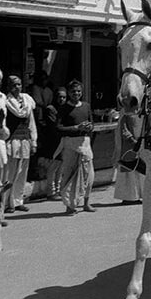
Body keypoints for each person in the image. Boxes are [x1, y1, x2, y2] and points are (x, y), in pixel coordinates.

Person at [56, 80, 96, 215]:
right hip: (70, 145)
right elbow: (59, 128)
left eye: (79, 91)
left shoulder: (86, 106)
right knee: (69, 174)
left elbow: (91, 123)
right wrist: (75, 128)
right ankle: (69, 205)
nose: (76, 94)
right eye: (73, 92)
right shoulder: (63, 109)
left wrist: (89, 127)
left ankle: (86, 202)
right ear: (68, 93)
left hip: (85, 144)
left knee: (88, 175)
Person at [4, 75, 37, 213]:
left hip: (24, 139)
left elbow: (31, 123)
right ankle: (6, 203)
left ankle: (18, 201)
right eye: (13, 85)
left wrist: (33, 140)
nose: (16, 87)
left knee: (23, 172)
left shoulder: (27, 100)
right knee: (10, 173)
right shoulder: (6, 101)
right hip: (12, 140)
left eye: (18, 84)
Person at [114, 114, 145, 205]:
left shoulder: (142, 116)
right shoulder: (126, 116)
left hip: (139, 147)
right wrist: (133, 141)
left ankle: (137, 196)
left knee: (138, 170)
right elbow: (124, 131)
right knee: (129, 171)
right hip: (129, 147)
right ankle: (128, 197)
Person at [43, 88, 67, 200]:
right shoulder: (51, 109)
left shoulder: (65, 109)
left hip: (63, 141)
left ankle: (58, 190)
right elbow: (54, 127)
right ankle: (51, 192)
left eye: (64, 97)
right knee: (53, 167)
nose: (61, 99)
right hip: (53, 141)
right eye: (59, 97)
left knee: (60, 167)